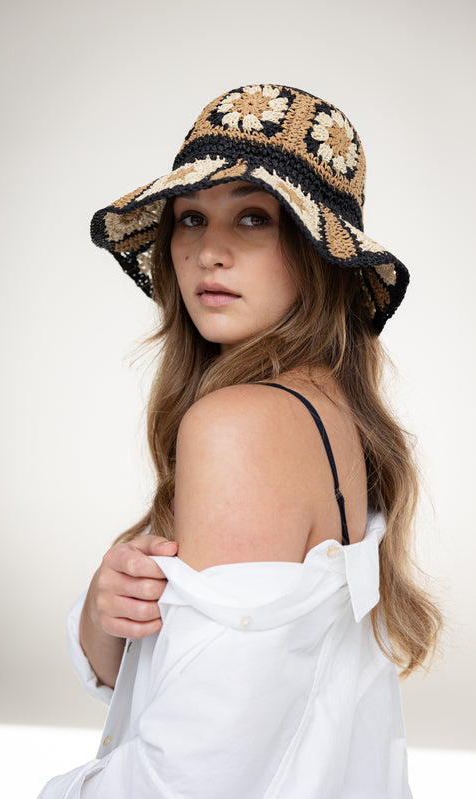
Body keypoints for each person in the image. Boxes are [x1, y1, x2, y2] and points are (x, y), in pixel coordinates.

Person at [39, 84, 442, 798]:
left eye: (253, 218)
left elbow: (191, 778)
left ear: (319, 254)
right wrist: (110, 610)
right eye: (190, 218)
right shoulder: (331, 412)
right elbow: (240, 706)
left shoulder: (241, 424)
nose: (206, 251)